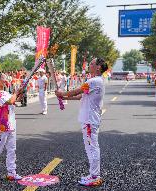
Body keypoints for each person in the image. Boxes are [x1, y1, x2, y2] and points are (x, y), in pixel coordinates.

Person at [55, 58, 107, 187]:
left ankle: (95, 177)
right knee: (91, 147)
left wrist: (62, 93)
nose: (89, 65)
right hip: (89, 119)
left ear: (98, 67)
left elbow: (77, 91)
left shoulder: (94, 81)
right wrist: (64, 97)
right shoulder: (96, 81)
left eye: (92, 63)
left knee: (92, 148)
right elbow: (80, 96)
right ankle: (93, 174)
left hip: (89, 120)